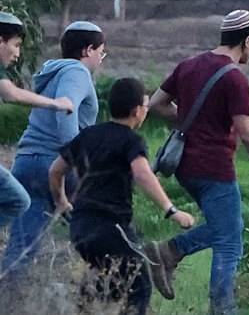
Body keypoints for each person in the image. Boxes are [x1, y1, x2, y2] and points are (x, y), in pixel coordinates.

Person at [146, 9, 249, 314]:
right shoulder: (234, 78)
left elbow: (155, 104)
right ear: (247, 40)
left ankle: (169, 251)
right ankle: (222, 309)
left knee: (227, 228)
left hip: (184, 168)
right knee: (229, 243)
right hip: (213, 169)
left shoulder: (189, 65)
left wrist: (191, 119)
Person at [49, 78, 195, 315]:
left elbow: (55, 171)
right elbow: (142, 173)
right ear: (137, 111)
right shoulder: (130, 140)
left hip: (80, 228)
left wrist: (62, 202)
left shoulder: (88, 135)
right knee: (140, 287)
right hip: (109, 227)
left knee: (110, 284)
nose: (146, 111)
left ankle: (66, 300)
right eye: (146, 106)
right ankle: (66, 298)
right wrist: (172, 210)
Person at [0, 11, 74, 279]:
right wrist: (56, 103)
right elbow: (10, 94)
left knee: (18, 199)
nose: (17, 54)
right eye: (16, 45)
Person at [1, 21, 106, 281]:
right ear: (88, 50)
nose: (101, 59)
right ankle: (115, 292)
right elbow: (65, 110)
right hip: (55, 164)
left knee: (22, 245)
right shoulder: (77, 72)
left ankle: (6, 303)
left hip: (27, 162)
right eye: (101, 52)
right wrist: (75, 162)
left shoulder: (54, 71)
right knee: (103, 233)